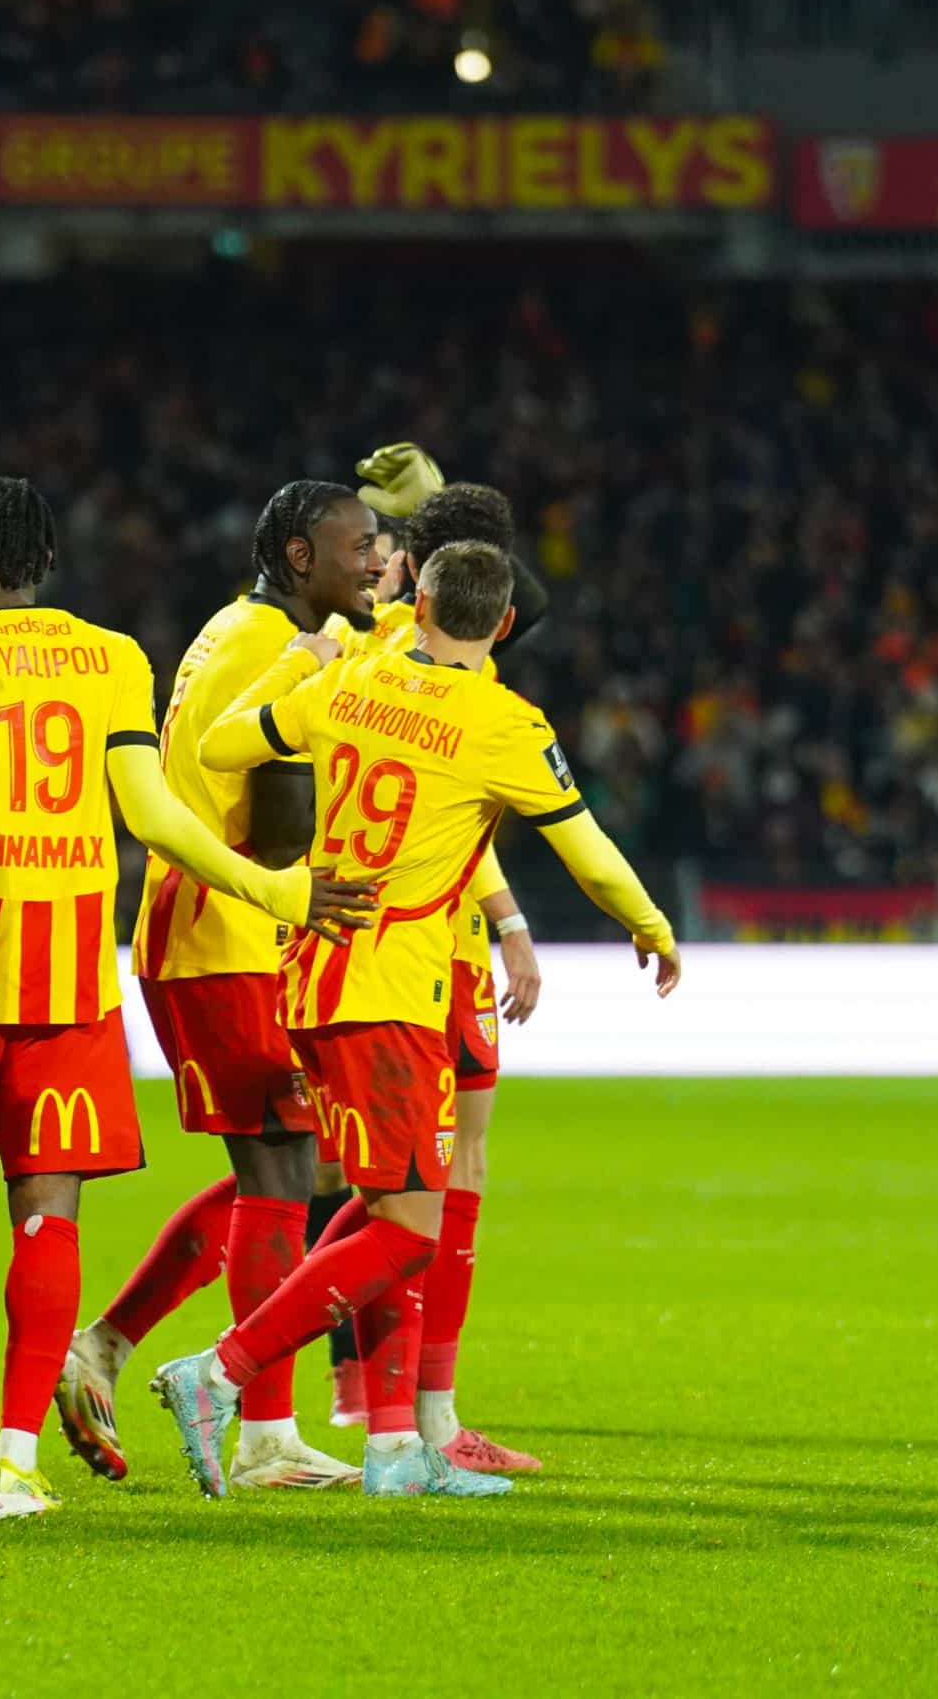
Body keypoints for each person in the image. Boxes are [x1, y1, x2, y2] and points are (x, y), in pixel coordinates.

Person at [148, 539, 680, 1499]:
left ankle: (394, 1453)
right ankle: (215, 1374)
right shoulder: (505, 721)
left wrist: (297, 658)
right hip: (389, 990)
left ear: (419, 598)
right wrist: (649, 923)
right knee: (409, 1231)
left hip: (316, 972)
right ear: (505, 625)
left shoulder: (351, 677)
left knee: (390, 1206)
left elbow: (220, 744)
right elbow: (589, 852)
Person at [0, 471, 375, 1509]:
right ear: (49, 558)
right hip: (82, 961)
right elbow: (154, 813)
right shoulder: (111, 656)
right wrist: (278, 889)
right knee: (53, 1213)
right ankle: (20, 1453)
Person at [54, 480, 388, 1493]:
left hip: (213, 928)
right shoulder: (269, 650)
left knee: (288, 1169)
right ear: (299, 556)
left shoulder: (238, 628)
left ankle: (109, 1347)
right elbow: (282, 827)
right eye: (358, 545)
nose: (374, 561)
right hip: (227, 932)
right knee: (288, 1171)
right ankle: (262, 1435)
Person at [309, 454, 553, 1472]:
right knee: (358, 1182)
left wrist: (503, 919)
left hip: (442, 940)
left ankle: (421, 1413)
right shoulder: (357, 649)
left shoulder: (439, 657)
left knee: (442, 1175)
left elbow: (447, 811)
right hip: (373, 944)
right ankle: (337, 1391)